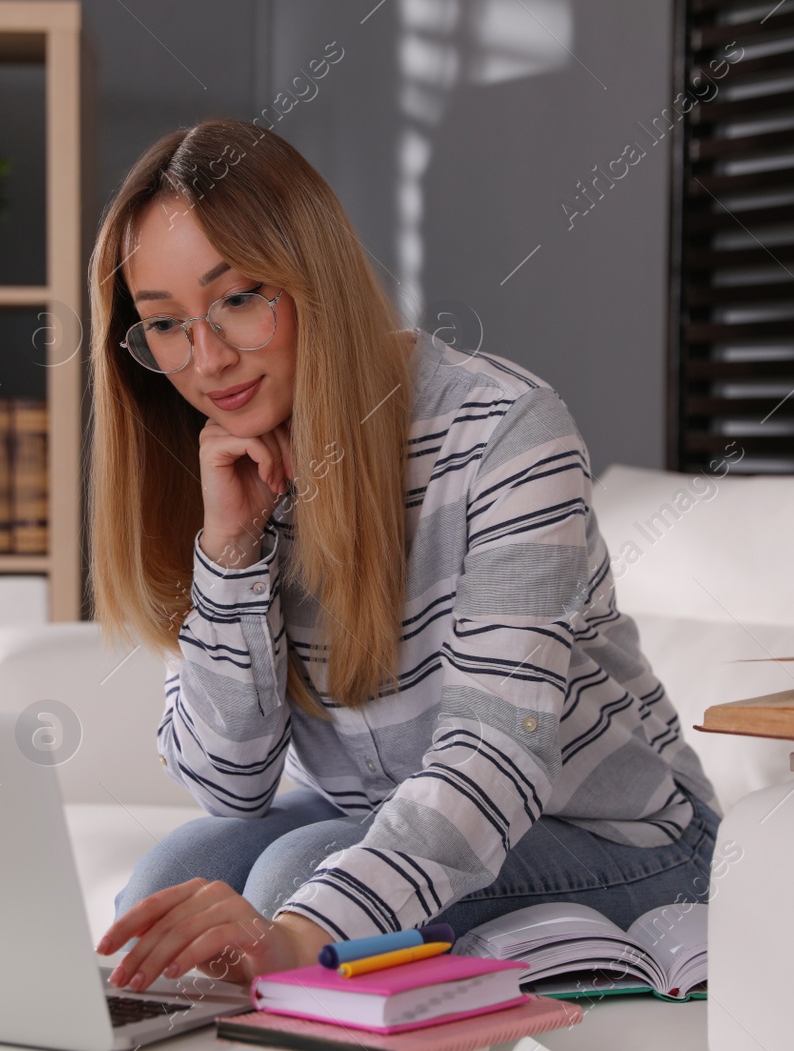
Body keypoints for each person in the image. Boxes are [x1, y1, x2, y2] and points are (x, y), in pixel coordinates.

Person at [86, 118, 720, 996]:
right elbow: (228, 788)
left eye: (238, 299)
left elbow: (493, 760)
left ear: (314, 274)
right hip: (383, 815)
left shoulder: (504, 432)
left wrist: (301, 928)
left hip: (629, 838)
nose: (208, 359)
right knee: (166, 885)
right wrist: (229, 553)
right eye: (164, 325)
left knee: (289, 887)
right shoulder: (225, 458)